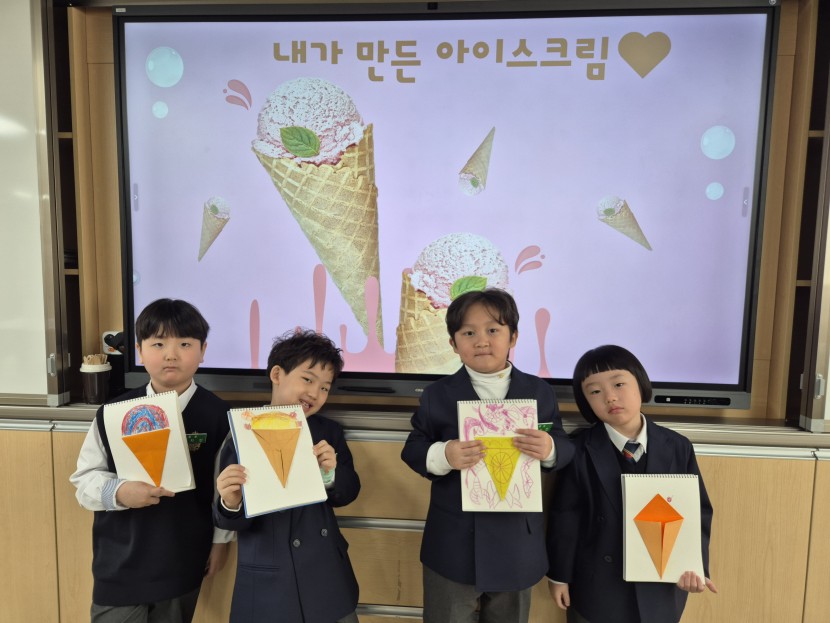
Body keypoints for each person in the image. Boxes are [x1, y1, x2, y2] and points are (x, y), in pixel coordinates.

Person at [401, 288, 574, 622]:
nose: (481, 341)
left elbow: (562, 442)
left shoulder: (539, 391)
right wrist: (445, 454)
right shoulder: (437, 395)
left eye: (493, 330)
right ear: (453, 344)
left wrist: (550, 449)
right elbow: (413, 448)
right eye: (469, 333)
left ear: (513, 337)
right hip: (453, 544)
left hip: (517, 543)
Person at [70, 298, 232, 623]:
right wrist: (119, 492)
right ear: (140, 351)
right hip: (120, 563)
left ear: (202, 351)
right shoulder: (112, 413)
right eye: (158, 344)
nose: (171, 354)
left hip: (183, 561)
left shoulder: (219, 416)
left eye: (184, 344)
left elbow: (223, 490)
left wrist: (220, 543)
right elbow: (84, 480)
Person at [547, 344, 716, 623]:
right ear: (585, 401)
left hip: (660, 582)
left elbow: (698, 512)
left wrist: (695, 566)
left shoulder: (677, 446)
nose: (610, 397)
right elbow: (566, 517)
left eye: (619, 384)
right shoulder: (578, 449)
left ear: (640, 383)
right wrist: (559, 576)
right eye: (595, 391)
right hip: (597, 586)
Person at [215, 329, 360, 623]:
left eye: (325, 387)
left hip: (325, 573)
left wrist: (330, 474)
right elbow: (230, 520)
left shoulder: (328, 433)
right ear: (277, 374)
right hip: (268, 577)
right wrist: (230, 502)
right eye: (307, 379)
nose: (315, 393)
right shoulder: (240, 433)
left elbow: (349, 491)